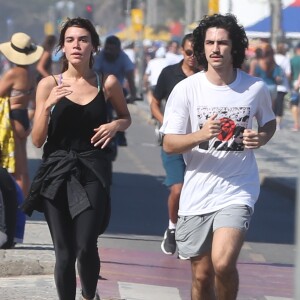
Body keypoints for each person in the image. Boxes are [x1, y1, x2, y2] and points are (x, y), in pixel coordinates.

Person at [160, 13, 276, 299]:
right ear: (202, 47)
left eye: (222, 43)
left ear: (234, 47)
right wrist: (201, 134)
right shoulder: (186, 89)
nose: (215, 49)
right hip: (198, 191)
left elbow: (269, 122)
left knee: (223, 263)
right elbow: (169, 144)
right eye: (210, 42)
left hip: (238, 189)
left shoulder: (254, 88)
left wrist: (260, 137)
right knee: (202, 274)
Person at [21, 17, 131, 300]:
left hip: (92, 170)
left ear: (93, 46)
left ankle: (89, 295)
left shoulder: (107, 83)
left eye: (83, 40)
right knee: (65, 252)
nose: (76, 45)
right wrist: (46, 106)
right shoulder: (48, 84)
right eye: (70, 40)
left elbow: (125, 117)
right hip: (56, 173)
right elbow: (36, 141)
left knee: (85, 245)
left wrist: (115, 125)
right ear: (62, 47)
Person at [150, 33, 199, 258]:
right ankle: (172, 228)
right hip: (173, 140)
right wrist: (165, 123)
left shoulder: (206, 76)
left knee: (195, 193)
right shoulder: (169, 74)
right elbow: (154, 101)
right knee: (178, 188)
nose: (192, 57)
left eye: (196, 53)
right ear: (182, 51)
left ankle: (188, 235)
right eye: (189, 52)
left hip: (199, 143)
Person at [0, 32, 43, 197]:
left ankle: (16, 205)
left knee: (15, 170)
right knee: (23, 169)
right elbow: (32, 98)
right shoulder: (31, 74)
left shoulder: (13, 74)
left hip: (12, 119)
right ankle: (22, 204)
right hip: (24, 118)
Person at [93, 35, 136, 146]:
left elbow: (130, 78)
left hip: (119, 90)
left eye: (112, 49)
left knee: (122, 111)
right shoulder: (100, 57)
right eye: (107, 49)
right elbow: (94, 73)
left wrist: (133, 95)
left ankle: (120, 133)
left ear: (118, 49)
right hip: (101, 89)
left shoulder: (124, 57)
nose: (109, 52)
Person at [274, 43, 291, 130]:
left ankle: (271, 122)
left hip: (272, 85)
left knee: (272, 104)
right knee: (280, 105)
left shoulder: (273, 57)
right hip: (282, 86)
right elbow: (288, 74)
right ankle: (278, 124)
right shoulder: (286, 59)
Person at [290, 42, 300, 131]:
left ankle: (296, 124)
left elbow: (290, 73)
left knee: (294, 104)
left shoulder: (292, 60)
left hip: (295, 83)